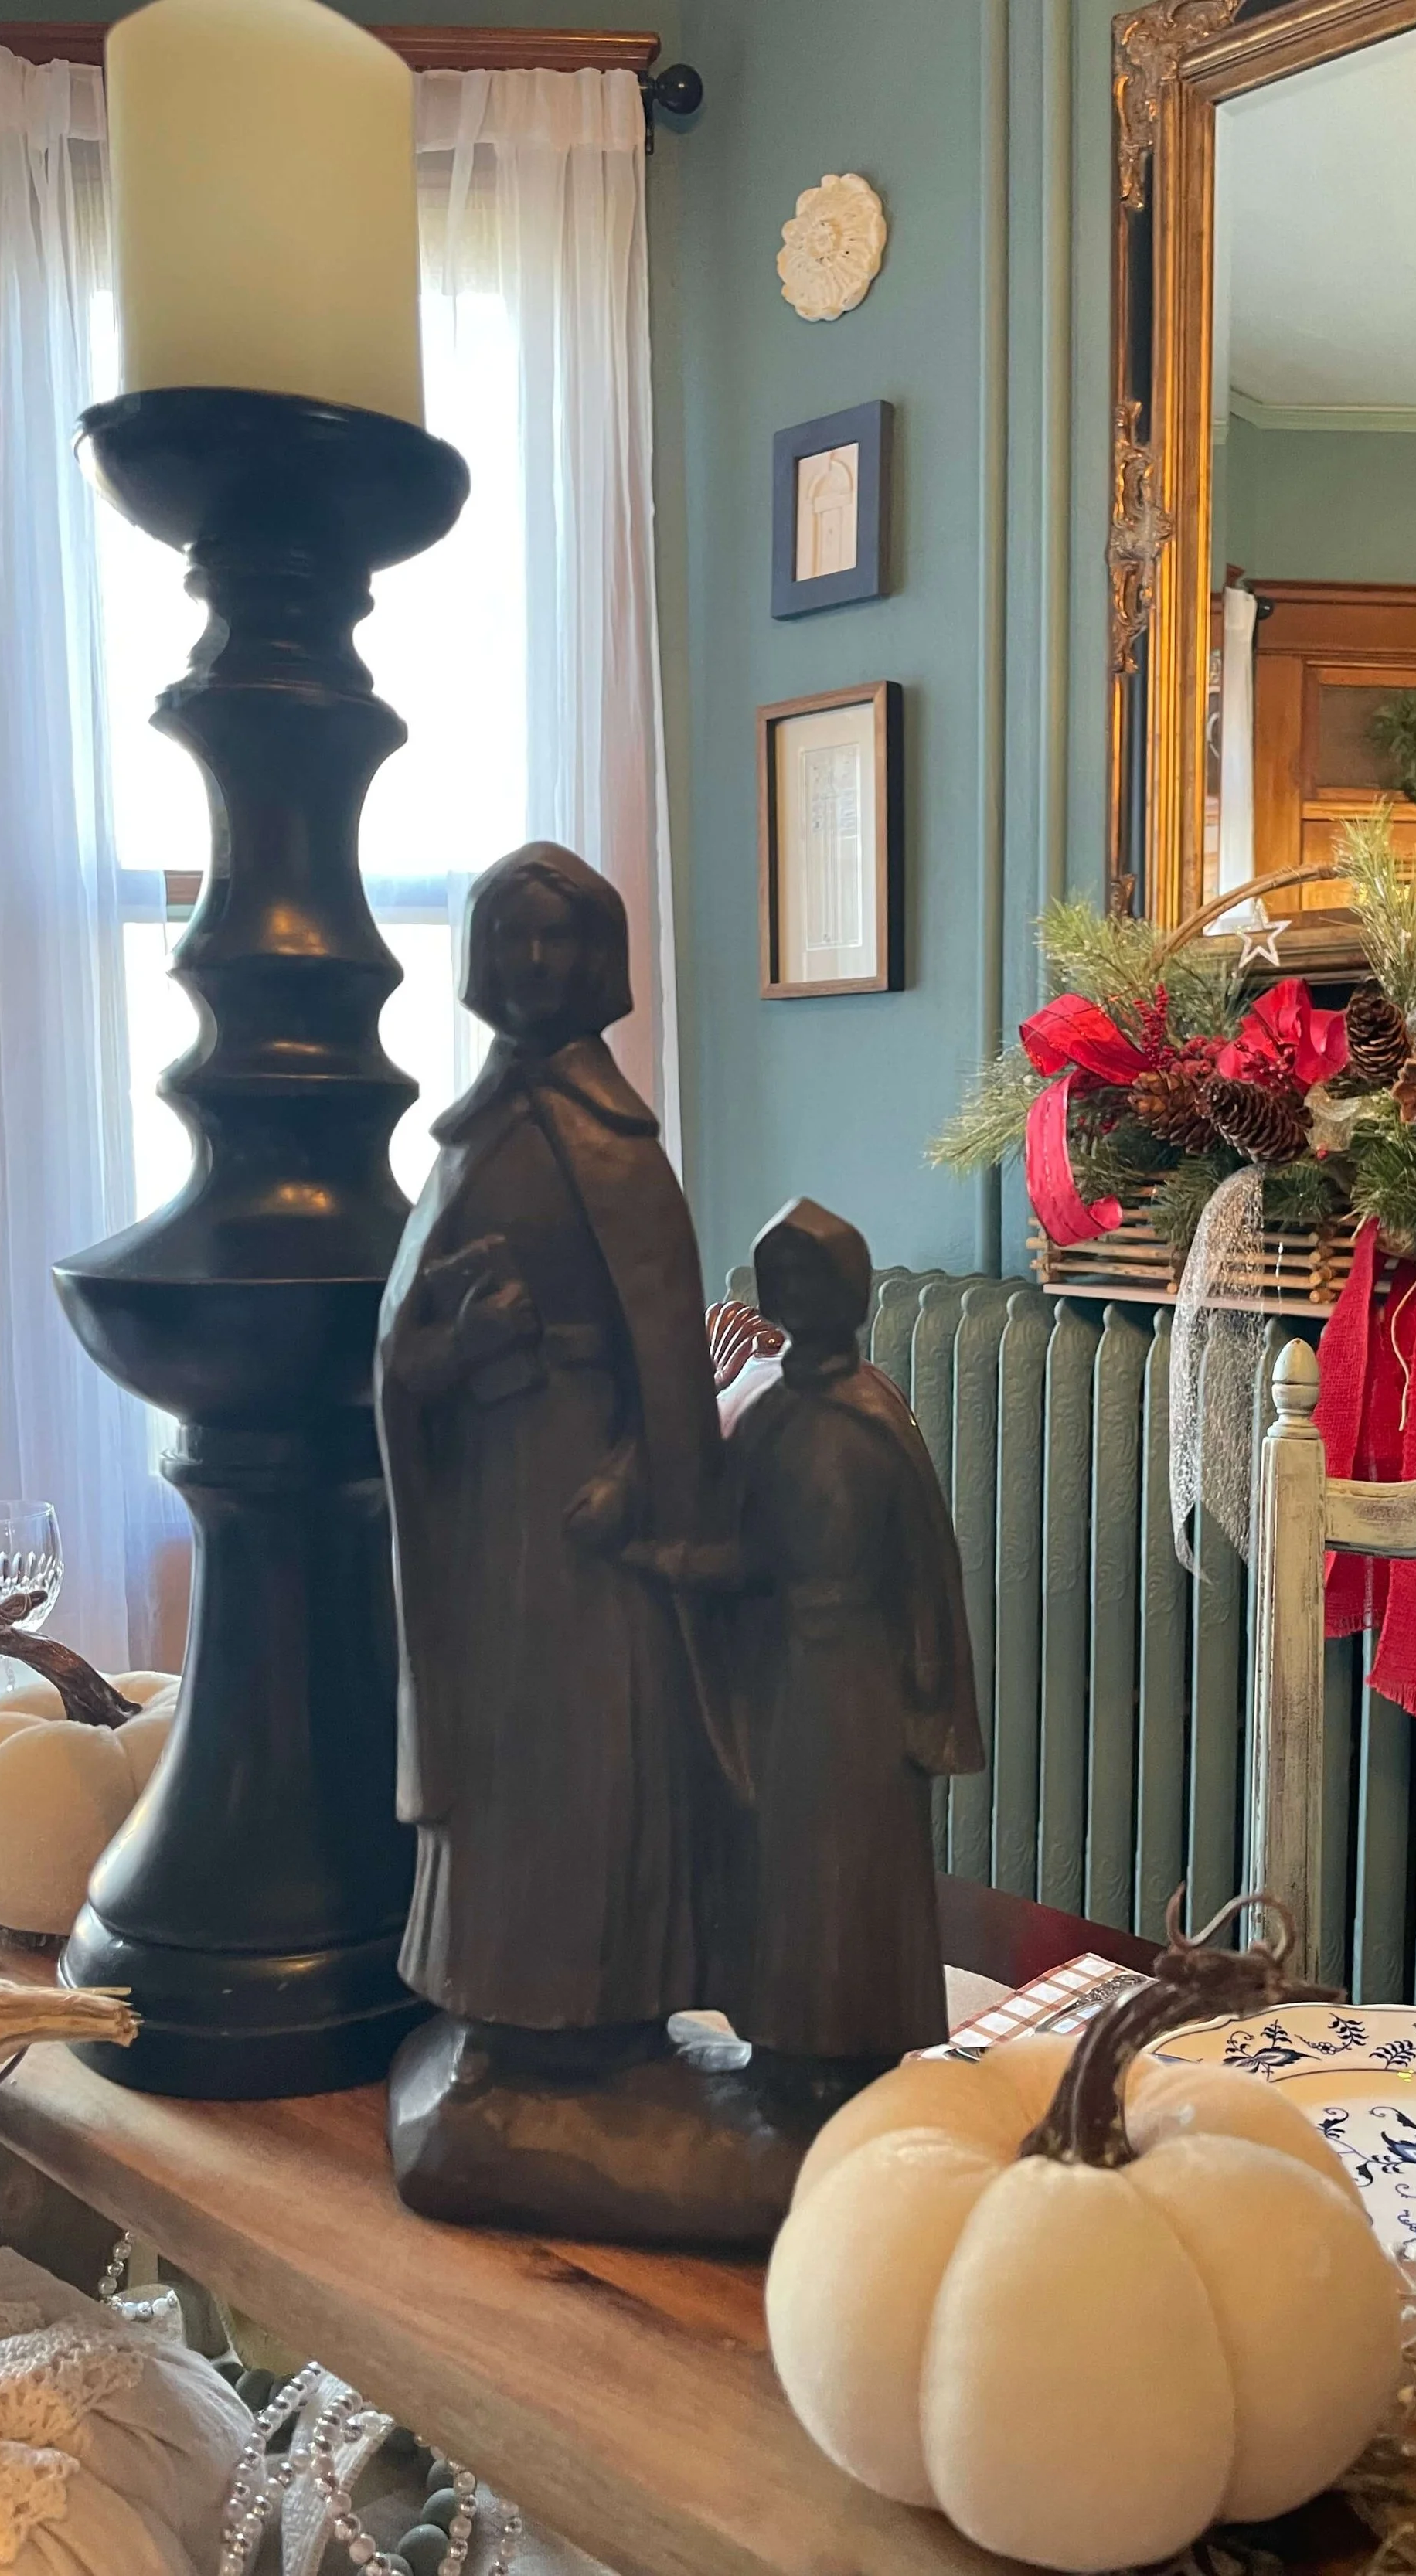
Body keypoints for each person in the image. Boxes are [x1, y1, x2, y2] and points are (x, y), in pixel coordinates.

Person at [376, 842, 740, 2037]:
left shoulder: (622, 1151)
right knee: (501, 1753)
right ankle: (499, 2004)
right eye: (516, 935)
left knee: (597, 1756)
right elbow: (398, 1360)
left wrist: (643, 1477)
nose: (538, 960)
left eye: (563, 937)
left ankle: (607, 2010)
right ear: (482, 955)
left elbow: (673, 1364)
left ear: (602, 961)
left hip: (591, 1503)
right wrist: (467, 1345)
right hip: (487, 1505)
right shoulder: (469, 1141)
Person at [723, 1198, 984, 2068]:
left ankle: (863, 2040)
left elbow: (926, 1575)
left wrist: (933, 1706)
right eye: (784, 1281)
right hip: (780, 1675)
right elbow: (729, 1541)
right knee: (786, 1863)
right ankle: (787, 2042)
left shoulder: (875, 1419)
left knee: (858, 1860)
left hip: (862, 1686)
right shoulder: (763, 1415)